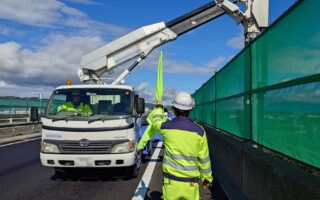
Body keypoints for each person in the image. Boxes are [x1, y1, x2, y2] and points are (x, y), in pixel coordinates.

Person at [137, 92, 213, 200]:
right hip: (191, 184)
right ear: (190, 109)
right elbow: (204, 158)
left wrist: (159, 108)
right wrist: (207, 178)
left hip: (171, 182)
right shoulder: (200, 131)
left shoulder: (167, 127)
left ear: (173, 108)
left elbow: (155, 122)